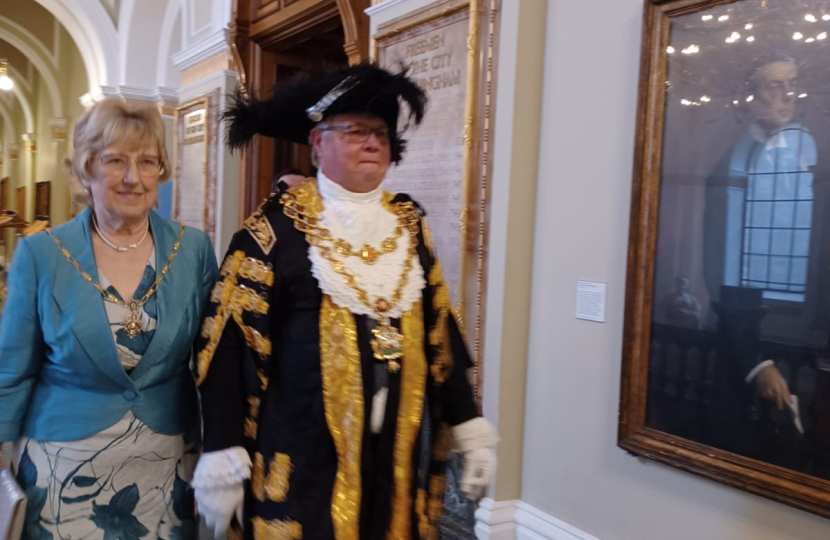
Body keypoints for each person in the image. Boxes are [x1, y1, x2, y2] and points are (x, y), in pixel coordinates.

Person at [192, 63, 497, 540]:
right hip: (301, 454)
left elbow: (440, 333)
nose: (372, 142)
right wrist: (222, 453)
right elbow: (227, 343)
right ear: (317, 143)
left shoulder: (409, 224)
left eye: (379, 132)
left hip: (393, 456)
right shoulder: (273, 229)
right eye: (355, 130)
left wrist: (469, 425)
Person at [0, 98, 218, 540]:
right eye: (115, 160)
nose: (133, 177)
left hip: (167, 461)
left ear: (162, 171)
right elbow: (12, 371)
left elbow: (212, 360)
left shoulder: (193, 249)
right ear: (86, 170)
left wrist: (224, 444)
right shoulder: (42, 254)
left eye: (147, 161)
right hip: (61, 465)